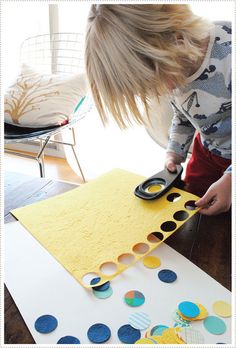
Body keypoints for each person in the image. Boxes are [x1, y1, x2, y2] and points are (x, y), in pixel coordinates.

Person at [85, 4, 231, 215]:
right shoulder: (175, 66)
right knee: (195, 207)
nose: (158, 92)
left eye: (155, 81)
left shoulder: (228, 54)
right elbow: (183, 115)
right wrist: (174, 151)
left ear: (172, 39)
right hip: (207, 151)